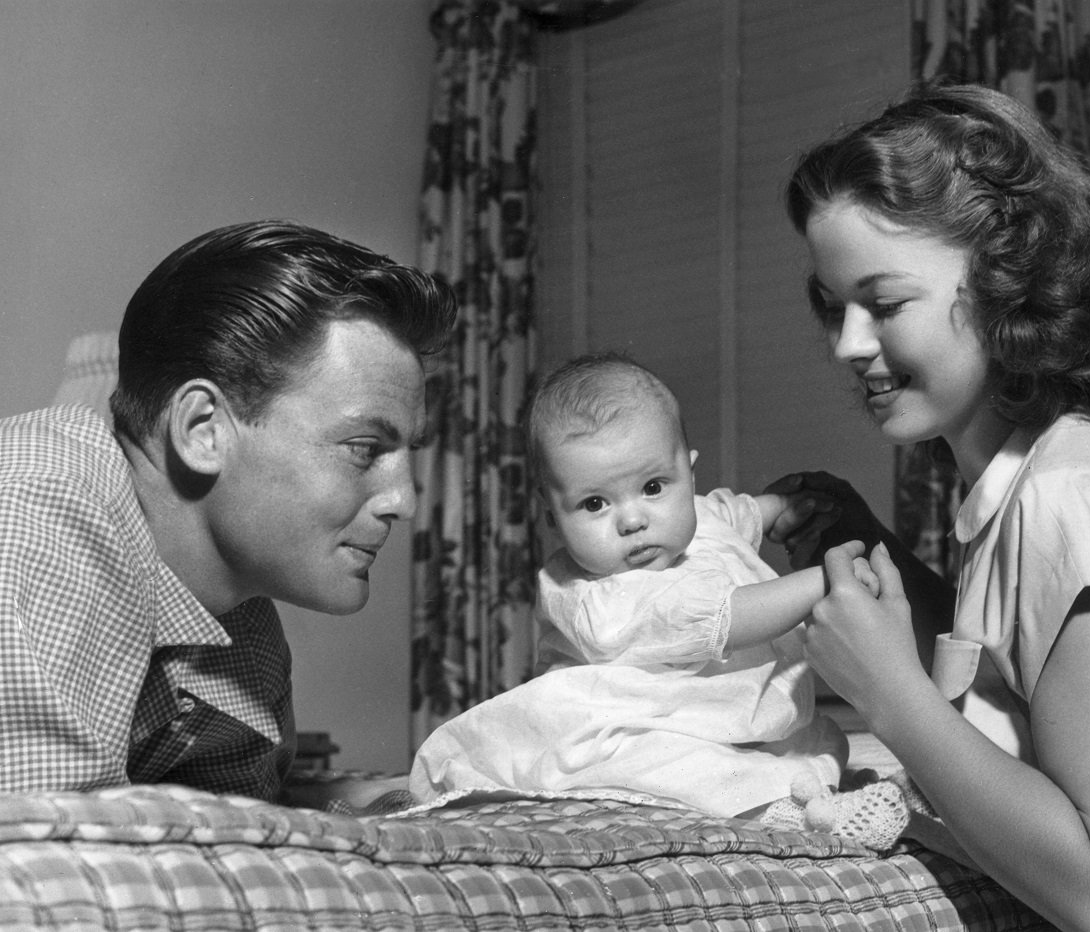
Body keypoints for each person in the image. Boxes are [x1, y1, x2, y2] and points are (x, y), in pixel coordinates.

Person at [767, 82, 1090, 931]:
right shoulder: (1034, 476)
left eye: (884, 304)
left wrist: (890, 692)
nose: (848, 346)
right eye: (832, 306)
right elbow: (1026, 694)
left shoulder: (1072, 494)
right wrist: (865, 547)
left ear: (1008, 281)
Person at [0, 219, 456, 803]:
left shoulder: (243, 629)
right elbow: (46, 861)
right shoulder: (37, 509)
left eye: (406, 454)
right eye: (365, 449)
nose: (406, 501)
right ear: (202, 430)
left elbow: (229, 825)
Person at [410, 352, 905, 844]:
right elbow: (730, 618)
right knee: (674, 768)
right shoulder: (596, 599)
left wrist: (784, 506)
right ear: (551, 516)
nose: (632, 519)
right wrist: (823, 581)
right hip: (633, 727)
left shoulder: (692, 518)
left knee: (816, 743)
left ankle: (802, 789)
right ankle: (786, 815)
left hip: (736, 720)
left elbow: (732, 514)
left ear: (688, 476)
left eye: (651, 486)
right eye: (594, 503)